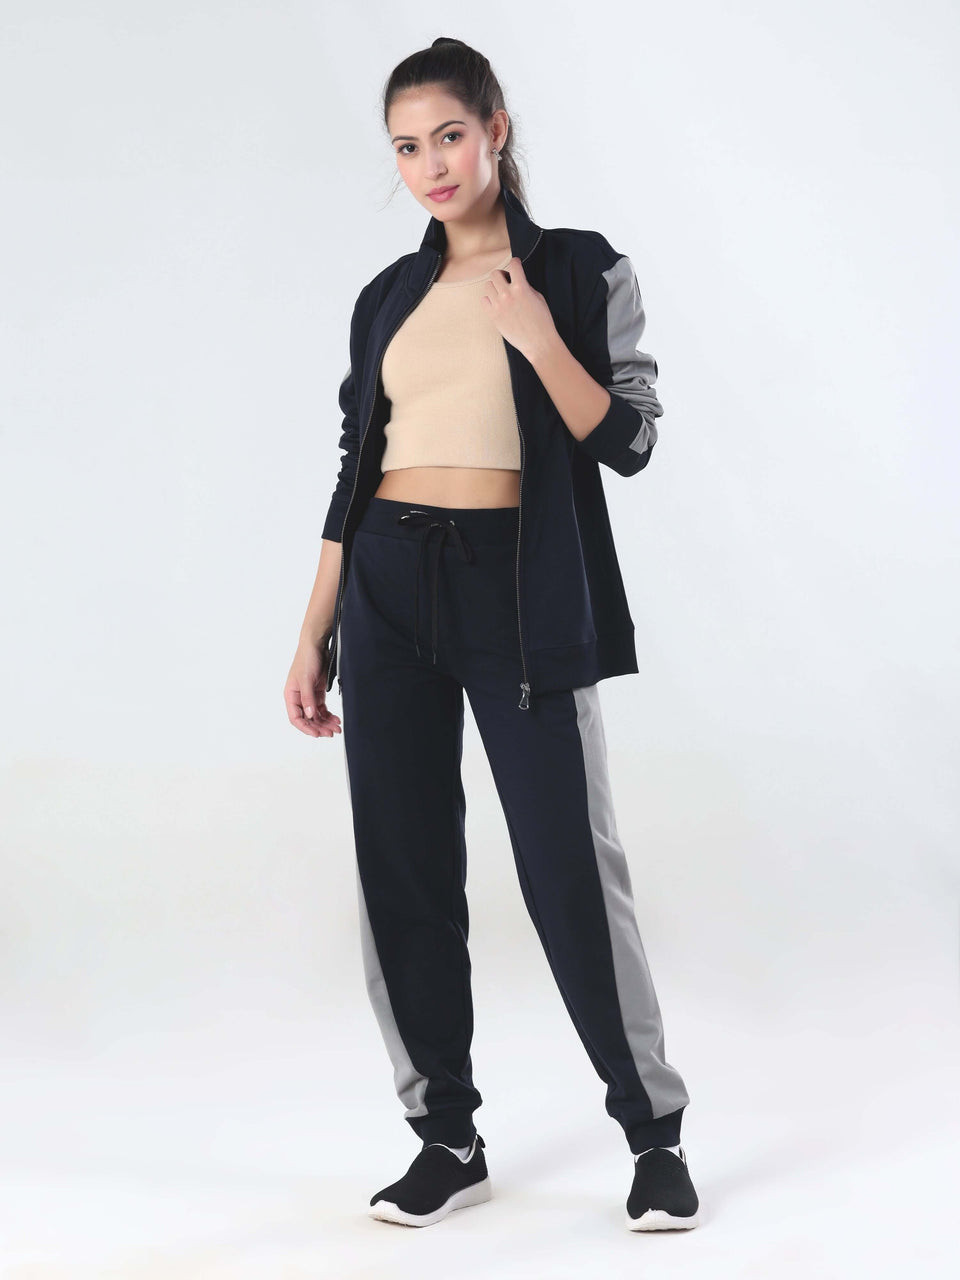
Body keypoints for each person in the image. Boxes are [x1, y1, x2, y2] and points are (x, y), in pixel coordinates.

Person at [284, 37, 701, 1233]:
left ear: (496, 131)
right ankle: (446, 1134)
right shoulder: (386, 298)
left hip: (517, 592)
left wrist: (537, 335)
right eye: (407, 147)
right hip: (386, 587)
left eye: (449, 136)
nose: (431, 164)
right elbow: (354, 471)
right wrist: (313, 631)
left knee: (570, 868)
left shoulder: (576, 268)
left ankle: (654, 1133)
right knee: (403, 867)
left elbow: (630, 438)